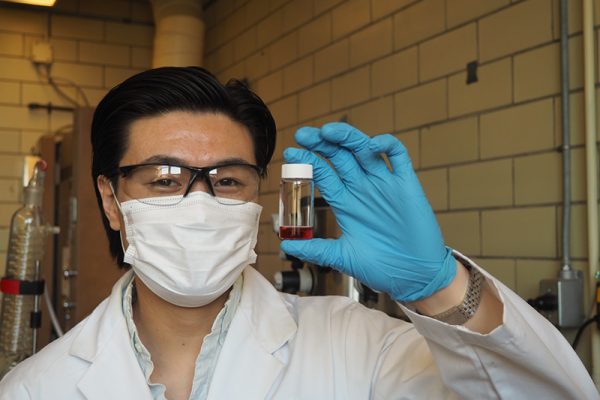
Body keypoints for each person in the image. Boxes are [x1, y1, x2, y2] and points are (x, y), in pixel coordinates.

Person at [0, 66, 597, 400]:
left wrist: (440, 287)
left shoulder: (359, 348)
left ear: (258, 195)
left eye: (228, 180)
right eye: (165, 179)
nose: (200, 201)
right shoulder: (34, 389)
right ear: (111, 199)